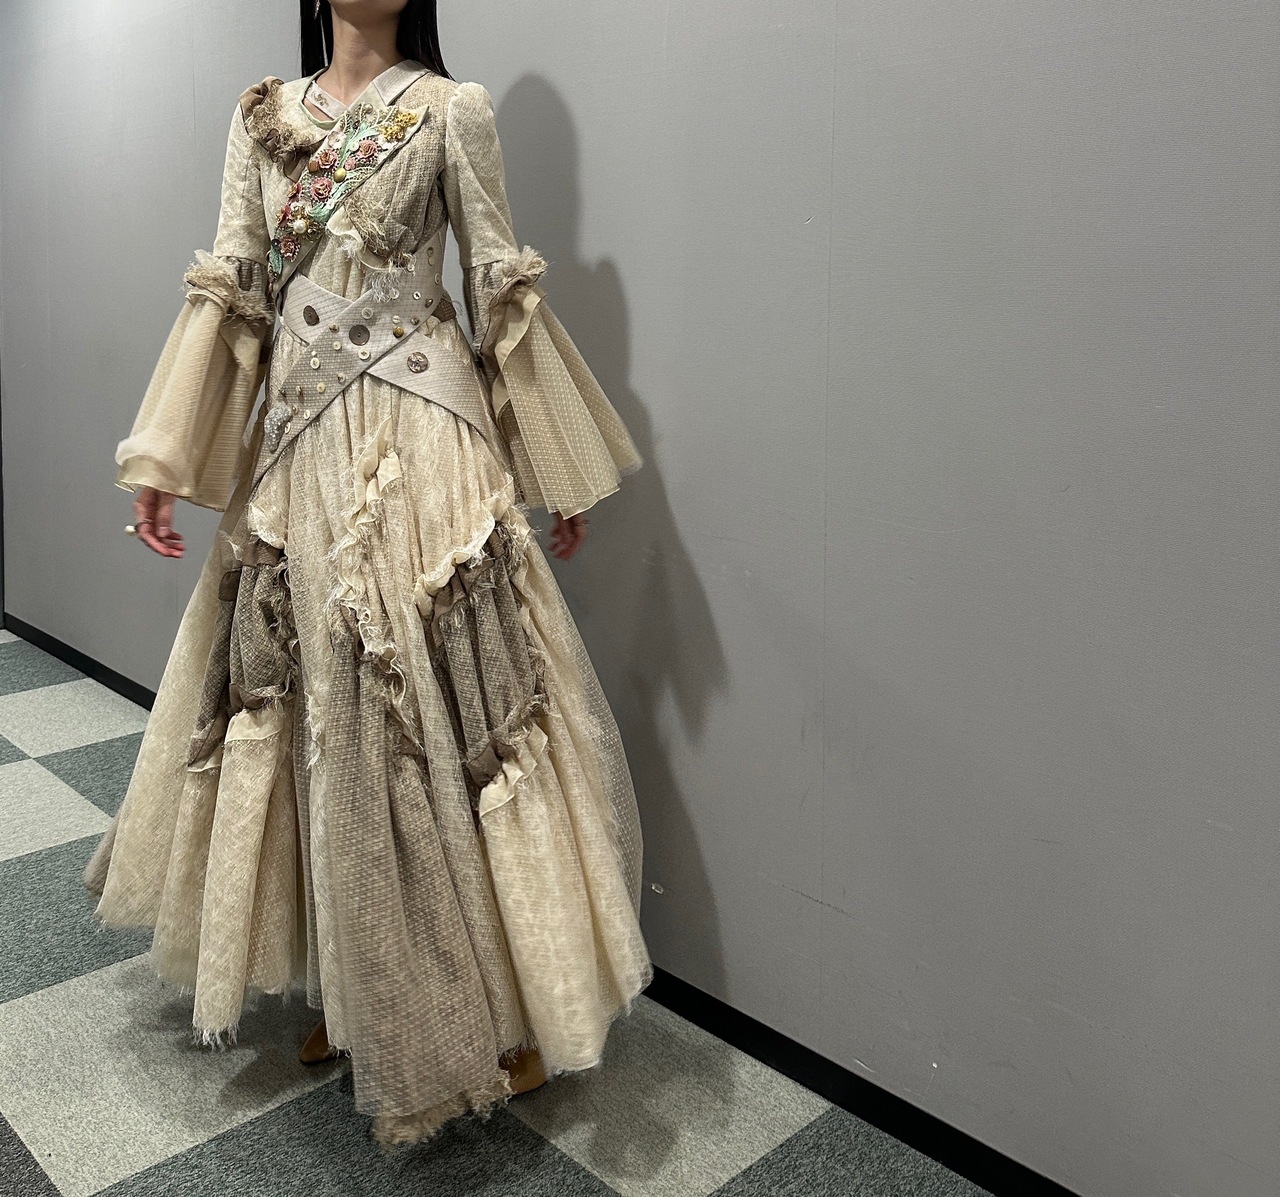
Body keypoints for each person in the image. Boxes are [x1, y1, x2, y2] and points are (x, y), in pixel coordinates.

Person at [85, 0, 653, 1147]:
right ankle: (358, 985)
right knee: (315, 712)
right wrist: (169, 455)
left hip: (421, 442)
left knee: (453, 702)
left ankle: (501, 1006)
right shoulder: (261, 116)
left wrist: (553, 462)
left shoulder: (451, 111)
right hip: (301, 447)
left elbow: (495, 283)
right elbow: (236, 288)